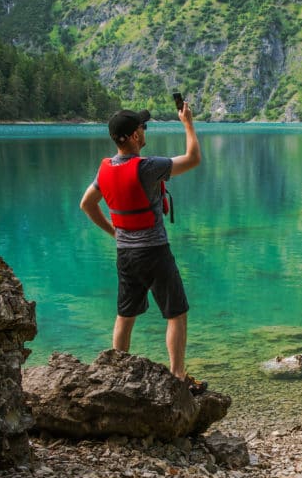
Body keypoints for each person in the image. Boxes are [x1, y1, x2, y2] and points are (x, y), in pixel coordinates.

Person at [80, 102, 207, 394]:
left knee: (125, 314)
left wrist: (115, 233)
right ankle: (177, 378)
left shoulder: (106, 170)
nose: (144, 129)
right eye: (143, 126)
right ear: (135, 136)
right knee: (176, 313)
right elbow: (193, 158)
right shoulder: (149, 167)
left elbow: (86, 204)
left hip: (126, 254)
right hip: (155, 252)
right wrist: (187, 123)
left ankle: (115, 372)